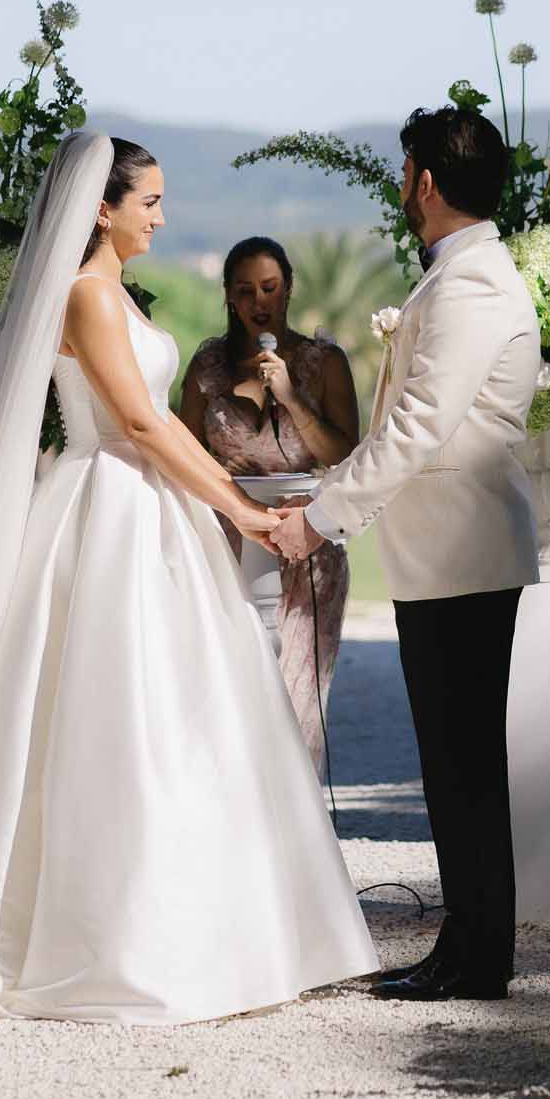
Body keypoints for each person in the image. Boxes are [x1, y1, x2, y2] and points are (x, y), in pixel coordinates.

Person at [0, 131, 377, 1024]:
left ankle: (225, 929)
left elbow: (162, 427)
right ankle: (115, 936)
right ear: (101, 207)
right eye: (148, 201)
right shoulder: (87, 296)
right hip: (109, 502)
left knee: (184, 708)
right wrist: (239, 508)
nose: (160, 215)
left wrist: (227, 499)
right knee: (115, 712)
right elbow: (142, 428)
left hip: (148, 507)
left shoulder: (113, 295)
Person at [273, 105, 540, 1002]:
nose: (401, 186)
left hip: (463, 551)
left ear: (424, 181)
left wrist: (321, 516)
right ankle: (464, 948)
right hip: (450, 552)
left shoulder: (470, 284)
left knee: (463, 761)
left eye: (403, 171)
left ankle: (477, 959)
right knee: (453, 760)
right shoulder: (463, 273)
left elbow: (418, 426)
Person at [179, 238, 359, 770]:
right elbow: (184, 450)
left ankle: (296, 828)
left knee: (298, 695)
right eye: (245, 291)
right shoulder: (207, 365)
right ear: (229, 298)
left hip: (306, 543)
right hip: (227, 546)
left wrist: (292, 399)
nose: (259, 301)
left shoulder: (323, 362)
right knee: (227, 689)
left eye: (269, 288)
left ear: (288, 288)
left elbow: (346, 454)